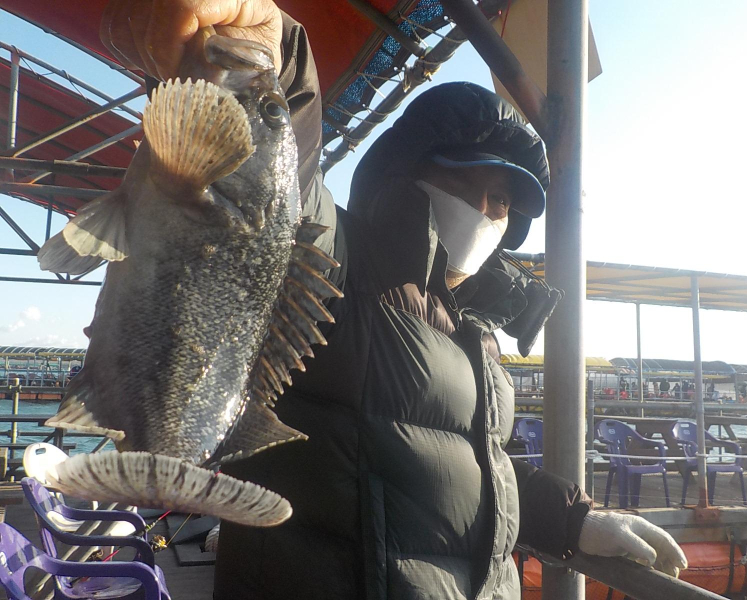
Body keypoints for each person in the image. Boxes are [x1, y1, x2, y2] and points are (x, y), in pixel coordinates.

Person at [101, 2, 687, 598]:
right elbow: (279, 180)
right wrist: (280, 52)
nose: (487, 210)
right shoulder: (343, 263)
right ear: (406, 173)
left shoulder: (475, 329)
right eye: (472, 182)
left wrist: (574, 520)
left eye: (503, 202)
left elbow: (472, 465)